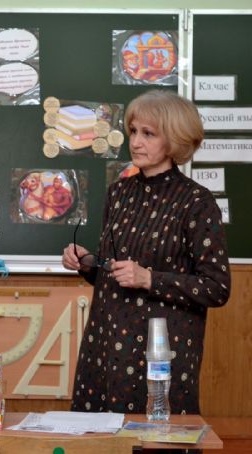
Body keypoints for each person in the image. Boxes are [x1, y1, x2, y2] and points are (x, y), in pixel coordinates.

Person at [62, 90, 230, 416]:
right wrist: (86, 263)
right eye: (133, 131)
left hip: (161, 351)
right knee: (98, 434)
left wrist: (149, 279)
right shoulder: (119, 193)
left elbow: (217, 287)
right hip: (105, 344)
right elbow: (113, 272)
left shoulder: (196, 202)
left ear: (174, 139)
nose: (136, 142)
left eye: (148, 134)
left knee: (155, 433)